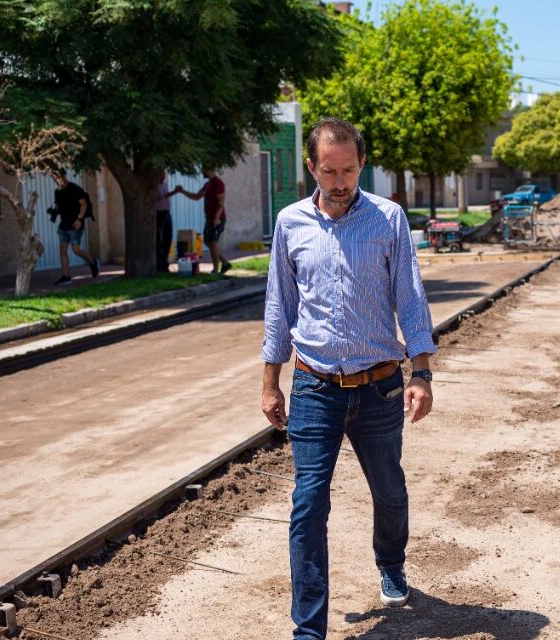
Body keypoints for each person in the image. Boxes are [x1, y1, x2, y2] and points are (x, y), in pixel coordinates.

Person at [259, 117, 436, 640]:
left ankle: (390, 560)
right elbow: (279, 307)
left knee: (390, 492)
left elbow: (410, 295)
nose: (340, 182)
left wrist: (421, 371)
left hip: (380, 385)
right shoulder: (291, 223)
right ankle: (308, 628)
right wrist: (270, 382)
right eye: (330, 171)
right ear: (312, 166)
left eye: (350, 170)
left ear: (363, 164)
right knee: (308, 502)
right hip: (314, 386)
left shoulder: (388, 219)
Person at [170, 168, 232, 274]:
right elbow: (196, 196)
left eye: (204, 169)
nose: (202, 172)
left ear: (210, 169)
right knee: (208, 241)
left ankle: (216, 270)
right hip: (209, 217)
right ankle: (225, 263)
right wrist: (182, 191)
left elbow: (221, 202)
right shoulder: (208, 184)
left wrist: (216, 218)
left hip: (217, 218)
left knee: (212, 242)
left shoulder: (218, 183)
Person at [51, 173, 100, 286]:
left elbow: (84, 204)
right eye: (55, 178)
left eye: (59, 177)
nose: (58, 180)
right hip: (64, 224)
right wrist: (54, 212)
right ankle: (66, 276)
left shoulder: (75, 189)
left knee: (76, 249)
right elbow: (58, 206)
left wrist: (79, 219)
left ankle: (92, 262)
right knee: (62, 249)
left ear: (64, 176)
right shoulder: (57, 192)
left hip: (75, 223)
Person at [153, 170, 173, 273]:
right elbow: (159, 197)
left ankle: (165, 261)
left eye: (164, 173)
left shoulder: (165, 184)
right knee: (158, 238)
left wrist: (173, 192)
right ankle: (160, 263)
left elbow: (166, 196)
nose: (164, 175)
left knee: (167, 237)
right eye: (162, 173)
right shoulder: (153, 185)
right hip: (158, 213)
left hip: (166, 212)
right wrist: (175, 192)